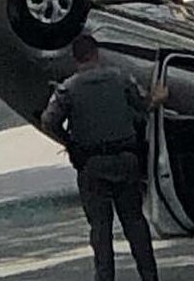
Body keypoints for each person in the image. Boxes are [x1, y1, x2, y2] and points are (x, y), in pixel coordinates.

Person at [41, 35, 163, 281]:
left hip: (92, 164)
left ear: (75, 59)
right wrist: (159, 97)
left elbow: (48, 121)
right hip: (126, 159)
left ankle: (105, 277)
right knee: (135, 223)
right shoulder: (120, 79)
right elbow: (143, 106)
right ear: (97, 54)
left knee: (100, 230)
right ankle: (149, 276)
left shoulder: (69, 89)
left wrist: (70, 142)